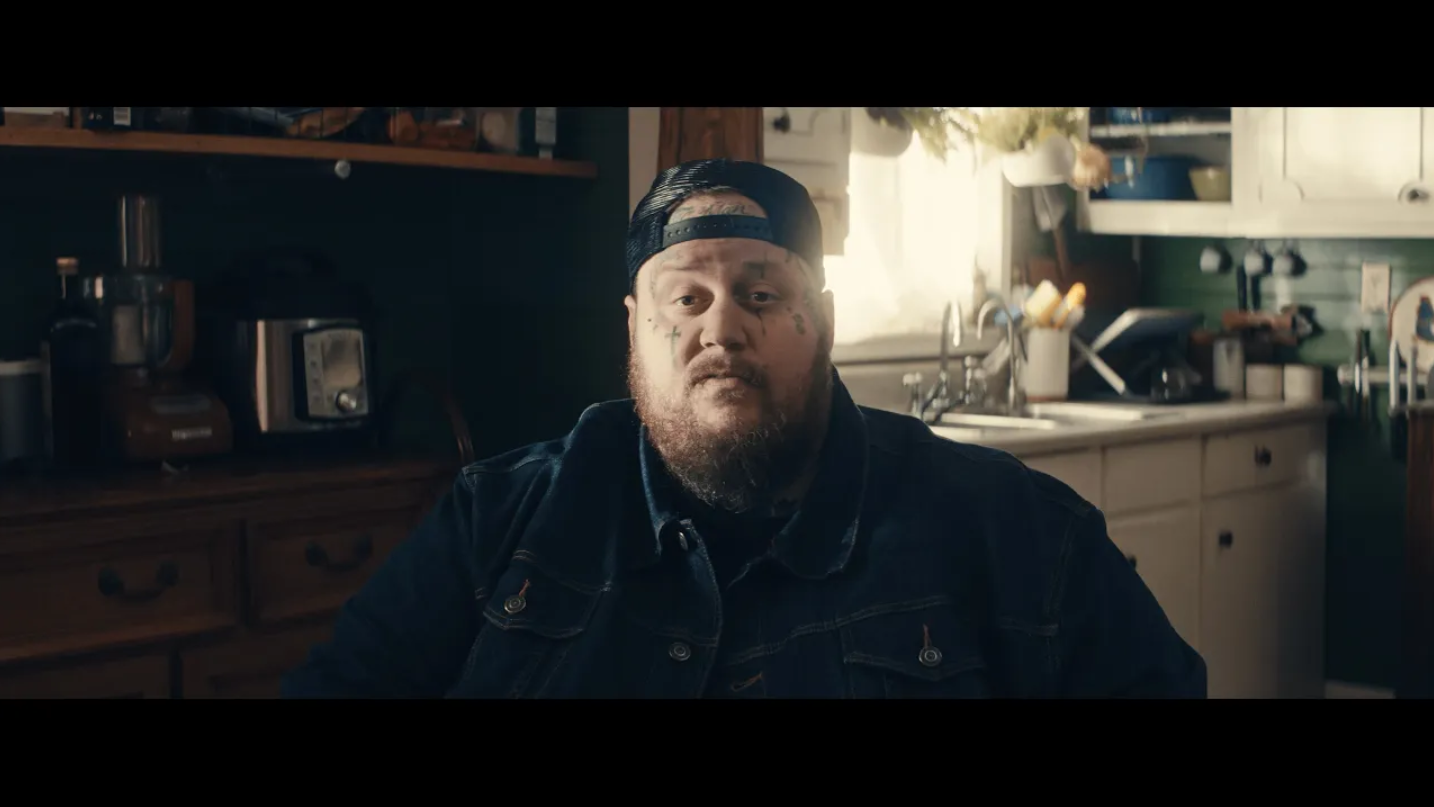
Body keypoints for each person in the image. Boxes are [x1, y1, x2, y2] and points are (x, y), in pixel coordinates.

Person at [282, 158, 1206, 698]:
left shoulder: (1014, 531)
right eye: (686, 299)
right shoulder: (496, 523)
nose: (721, 328)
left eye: (761, 294)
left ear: (824, 323)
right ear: (634, 331)